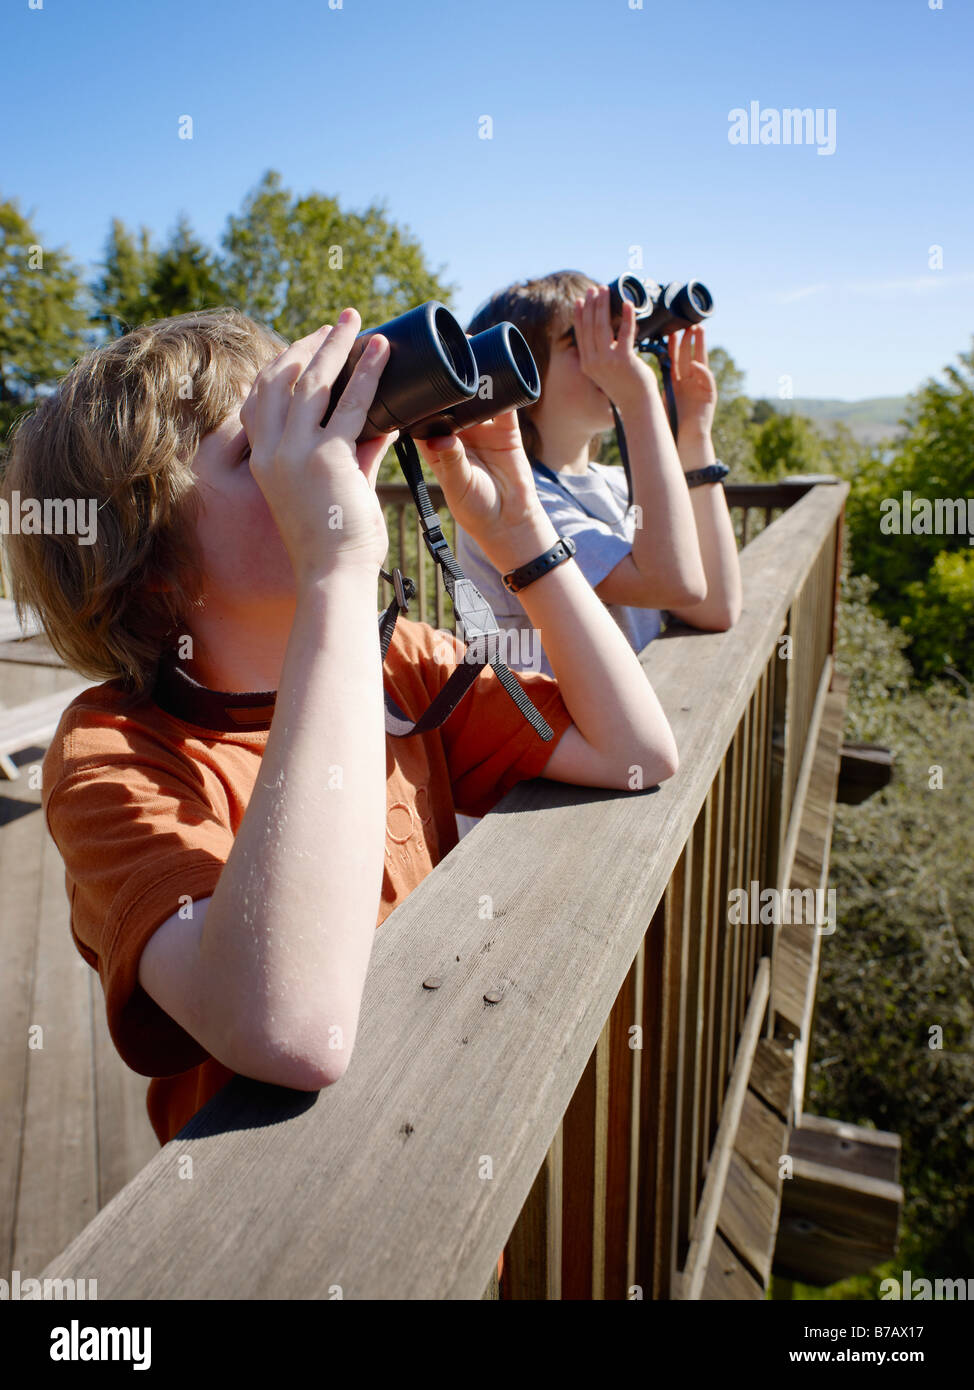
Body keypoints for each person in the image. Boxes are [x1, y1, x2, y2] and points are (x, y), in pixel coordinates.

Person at [0, 305, 679, 1156]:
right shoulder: (116, 758)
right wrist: (336, 570)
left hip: (438, 1129)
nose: (328, 466)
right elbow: (288, 1027)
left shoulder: (401, 664)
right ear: (154, 573)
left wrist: (521, 537)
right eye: (263, 451)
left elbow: (634, 754)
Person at [455, 271, 743, 682]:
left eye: (616, 336)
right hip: (549, 738)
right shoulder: (513, 501)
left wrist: (694, 435)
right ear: (520, 370)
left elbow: (715, 607)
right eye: (583, 342)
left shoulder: (618, 485)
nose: (613, 355)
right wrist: (639, 398)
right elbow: (675, 585)